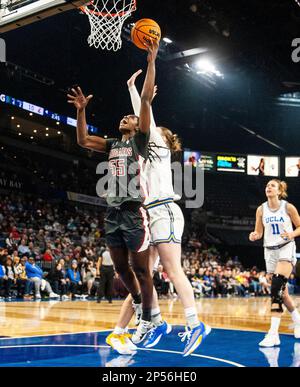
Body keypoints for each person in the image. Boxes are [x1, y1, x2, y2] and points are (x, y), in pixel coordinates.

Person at [105, 69, 210, 356]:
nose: (147, 126)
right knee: (141, 276)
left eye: (151, 127)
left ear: (162, 138)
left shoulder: (158, 144)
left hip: (164, 210)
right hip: (147, 214)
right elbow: (142, 114)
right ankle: (145, 323)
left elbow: (145, 108)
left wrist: (136, 86)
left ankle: (194, 323)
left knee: (172, 269)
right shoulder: (141, 150)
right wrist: (130, 86)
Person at [67, 39, 159, 342]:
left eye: (129, 118)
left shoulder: (140, 142)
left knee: (141, 270)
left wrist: (151, 61)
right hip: (112, 214)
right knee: (121, 269)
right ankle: (137, 302)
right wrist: (81, 111)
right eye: (124, 117)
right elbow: (82, 140)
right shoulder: (112, 144)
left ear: (137, 125)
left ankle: (148, 318)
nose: (125, 117)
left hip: (134, 213)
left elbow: (145, 101)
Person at [249, 179, 300, 347]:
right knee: (282, 293)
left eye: (272, 185)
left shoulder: (288, 207)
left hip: (286, 247)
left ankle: (273, 333)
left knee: (276, 287)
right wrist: (254, 235)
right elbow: (258, 231)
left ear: (279, 191)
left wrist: (291, 235)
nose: (268, 187)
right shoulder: (261, 209)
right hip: (269, 251)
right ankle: (298, 320)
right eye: (267, 185)